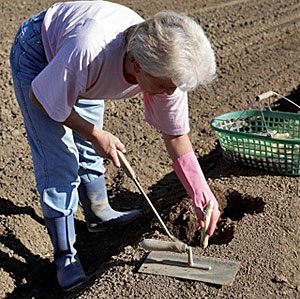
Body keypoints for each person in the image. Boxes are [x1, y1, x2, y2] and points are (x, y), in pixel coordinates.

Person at [10, 0, 221, 292]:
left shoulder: (165, 66)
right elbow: (41, 98)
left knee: (89, 150)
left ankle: (98, 214)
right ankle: (65, 258)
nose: (168, 93)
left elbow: (175, 136)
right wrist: (94, 133)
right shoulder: (89, 50)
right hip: (40, 54)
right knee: (60, 161)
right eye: (164, 86)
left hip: (81, 66)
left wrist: (202, 195)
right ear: (137, 67)